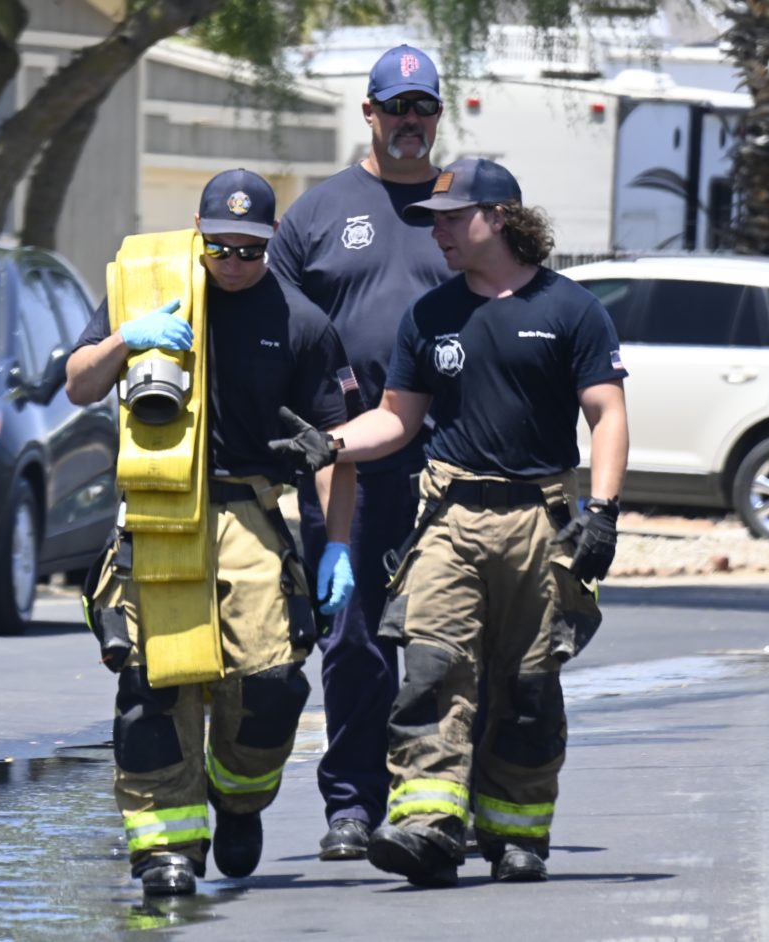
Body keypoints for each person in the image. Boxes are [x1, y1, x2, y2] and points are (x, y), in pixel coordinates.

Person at [269, 157, 629, 887]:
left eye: (451, 218)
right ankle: (427, 825)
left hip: (539, 521)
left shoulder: (571, 309)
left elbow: (608, 414)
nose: (437, 233)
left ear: (499, 217)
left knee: (527, 685)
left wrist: (603, 512)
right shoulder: (430, 316)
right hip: (449, 517)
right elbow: (397, 420)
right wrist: (331, 444)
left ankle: (516, 835)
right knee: (432, 669)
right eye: (433, 221)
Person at [65, 168, 358, 897]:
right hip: (158, 511)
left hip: (249, 511)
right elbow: (78, 383)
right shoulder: (148, 284)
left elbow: (335, 446)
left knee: (270, 686)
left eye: (249, 250)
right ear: (198, 232)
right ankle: (166, 849)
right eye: (220, 247)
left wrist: (338, 546)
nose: (233, 262)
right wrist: (127, 337)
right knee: (153, 690)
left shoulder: (301, 322)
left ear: (272, 240)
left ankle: (239, 797)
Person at [266, 42, 452, 861]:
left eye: (424, 107)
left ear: (437, 115)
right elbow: (272, 334)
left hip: (453, 464)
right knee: (353, 641)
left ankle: (439, 803)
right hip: (346, 462)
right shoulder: (316, 213)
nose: (410, 120)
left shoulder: (466, 206)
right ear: (368, 112)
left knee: (448, 642)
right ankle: (351, 803)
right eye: (396, 107)